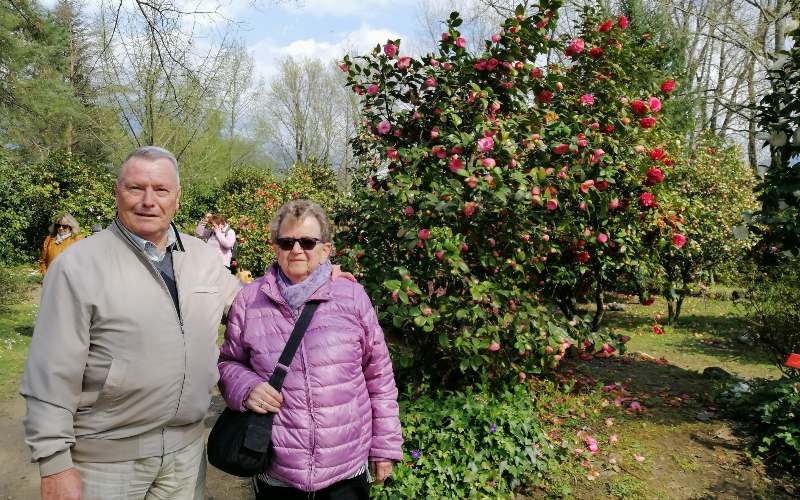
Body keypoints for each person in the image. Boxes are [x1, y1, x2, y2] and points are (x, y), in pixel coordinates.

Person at [218, 199, 403, 499]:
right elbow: (228, 364)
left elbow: (379, 377)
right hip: (279, 472)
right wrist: (247, 387)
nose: (296, 250)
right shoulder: (249, 301)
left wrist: (385, 446)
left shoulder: (352, 297)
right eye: (286, 242)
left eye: (307, 242)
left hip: (346, 471)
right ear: (275, 247)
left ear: (325, 249)